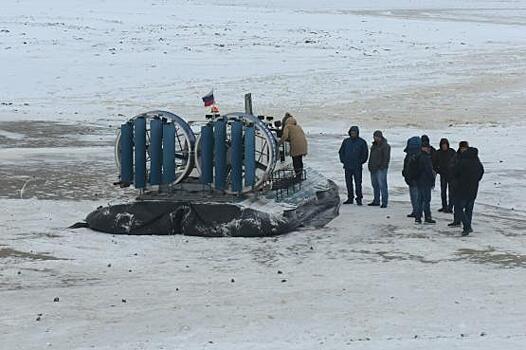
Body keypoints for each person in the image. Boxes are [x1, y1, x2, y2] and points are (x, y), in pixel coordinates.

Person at [452, 146, 484, 236]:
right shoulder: (477, 163)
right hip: (473, 189)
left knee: (458, 208)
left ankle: (467, 226)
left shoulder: (462, 162)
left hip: (462, 189)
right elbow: (481, 173)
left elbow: (455, 172)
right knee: (469, 210)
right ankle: (467, 227)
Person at [338, 126, 368, 205]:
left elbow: (365, 154)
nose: (353, 134)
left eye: (354, 132)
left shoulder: (362, 142)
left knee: (358, 183)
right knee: (348, 183)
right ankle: (350, 198)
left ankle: (359, 199)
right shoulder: (346, 141)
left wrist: (360, 162)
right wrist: (343, 160)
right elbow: (341, 152)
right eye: (351, 132)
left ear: (357, 133)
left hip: (357, 167)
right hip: (347, 166)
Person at [448, 141, 469, 227]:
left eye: (464, 148)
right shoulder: (456, 156)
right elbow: (451, 167)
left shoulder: (470, 157)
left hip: (466, 185)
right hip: (456, 184)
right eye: (462, 148)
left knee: (465, 205)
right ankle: (457, 220)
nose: (463, 149)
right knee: (456, 203)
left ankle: (467, 223)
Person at [280, 113, 308, 179]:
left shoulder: (287, 126)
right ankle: (300, 174)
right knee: (299, 160)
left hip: (296, 146)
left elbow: (285, 136)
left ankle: (297, 176)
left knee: (295, 160)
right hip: (303, 145)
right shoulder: (298, 126)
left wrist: (279, 143)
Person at [368, 130, 390, 208]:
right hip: (373, 168)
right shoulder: (373, 145)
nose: (376, 138)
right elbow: (371, 156)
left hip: (381, 169)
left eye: (377, 137)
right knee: (375, 185)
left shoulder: (385, 146)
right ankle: (376, 200)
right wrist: (370, 165)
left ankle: (384, 202)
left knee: (382, 185)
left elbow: (386, 158)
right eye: (374, 137)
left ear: (381, 137)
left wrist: (382, 166)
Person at [415, 142, 436, 224]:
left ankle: (418, 217)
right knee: (426, 200)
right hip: (425, 181)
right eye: (427, 148)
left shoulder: (418, 156)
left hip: (419, 181)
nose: (429, 149)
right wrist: (432, 180)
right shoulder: (425, 158)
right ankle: (427, 217)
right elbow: (428, 171)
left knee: (419, 200)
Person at [434, 138, 456, 213]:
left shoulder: (452, 152)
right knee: (443, 192)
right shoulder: (438, 153)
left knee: (451, 192)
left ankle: (450, 207)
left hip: (451, 175)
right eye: (443, 145)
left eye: (445, 145)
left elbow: (456, 162)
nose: (444, 147)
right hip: (443, 174)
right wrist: (438, 171)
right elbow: (435, 163)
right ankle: (444, 206)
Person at [402, 136, 421, 218]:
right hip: (413, 178)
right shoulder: (418, 155)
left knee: (415, 196)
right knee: (417, 196)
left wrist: (405, 173)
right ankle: (417, 211)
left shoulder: (411, 155)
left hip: (413, 179)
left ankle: (417, 211)